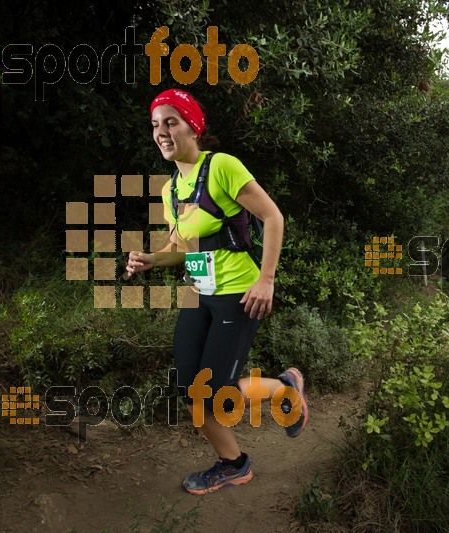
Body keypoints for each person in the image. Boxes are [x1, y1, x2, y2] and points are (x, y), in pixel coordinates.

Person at [125, 88, 308, 494]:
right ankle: (235, 462)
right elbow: (180, 248)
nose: (162, 132)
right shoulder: (170, 189)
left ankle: (281, 396)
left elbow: (273, 217)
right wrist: (151, 260)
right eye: (155, 125)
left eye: (171, 121)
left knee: (213, 395)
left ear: (194, 125)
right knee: (191, 389)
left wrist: (267, 278)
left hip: (239, 293)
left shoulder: (221, 166)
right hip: (199, 293)